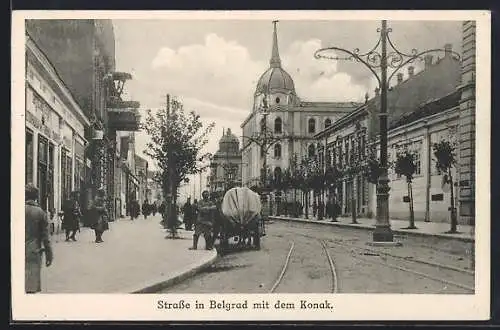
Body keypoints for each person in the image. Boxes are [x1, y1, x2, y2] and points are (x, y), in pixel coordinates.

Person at [25, 183, 53, 293]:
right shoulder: (40, 213)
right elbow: (45, 238)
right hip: (33, 251)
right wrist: (49, 255)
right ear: (36, 197)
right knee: (30, 287)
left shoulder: (16, 209)